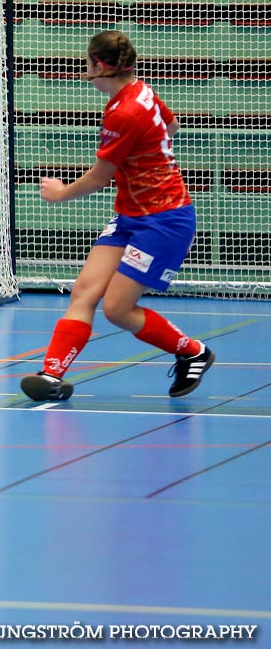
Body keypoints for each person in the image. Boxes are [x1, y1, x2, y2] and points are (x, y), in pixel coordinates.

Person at [21, 30, 213, 403]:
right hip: (130, 215)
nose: (85, 70)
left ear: (99, 66)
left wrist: (60, 194)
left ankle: (193, 351)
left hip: (163, 221)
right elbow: (170, 128)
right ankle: (51, 375)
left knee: (117, 309)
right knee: (84, 292)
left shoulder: (125, 111)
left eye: (87, 63)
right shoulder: (140, 91)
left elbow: (99, 176)